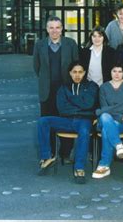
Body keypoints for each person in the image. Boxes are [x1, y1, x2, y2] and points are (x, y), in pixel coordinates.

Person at [37, 61, 98, 184]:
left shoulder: (92, 86)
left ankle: (79, 168)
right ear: (70, 73)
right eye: (74, 72)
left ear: (84, 73)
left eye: (80, 72)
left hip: (84, 120)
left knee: (84, 131)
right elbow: (62, 108)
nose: (77, 75)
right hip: (67, 120)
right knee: (43, 121)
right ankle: (47, 157)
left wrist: (70, 99)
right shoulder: (64, 87)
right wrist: (81, 104)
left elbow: (89, 104)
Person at [33, 16, 79, 160]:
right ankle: (49, 155)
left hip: (66, 91)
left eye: (57, 27)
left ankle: (65, 153)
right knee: (47, 124)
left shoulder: (71, 44)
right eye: (51, 27)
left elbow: (76, 66)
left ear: (62, 29)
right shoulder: (39, 45)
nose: (54, 31)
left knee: (67, 121)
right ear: (47, 29)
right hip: (47, 91)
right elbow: (37, 67)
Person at [92, 64, 123, 179]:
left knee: (107, 126)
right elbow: (104, 106)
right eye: (114, 71)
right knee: (106, 118)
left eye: (120, 71)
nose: (117, 74)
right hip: (112, 119)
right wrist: (115, 114)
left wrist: (102, 111)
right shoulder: (104, 87)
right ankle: (118, 145)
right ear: (110, 72)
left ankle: (104, 166)